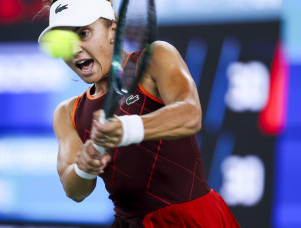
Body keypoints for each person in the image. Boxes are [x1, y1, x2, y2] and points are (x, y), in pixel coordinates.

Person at [38, 0, 240, 227]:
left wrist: (126, 129)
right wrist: (84, 168)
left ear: (112, 29)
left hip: (194, 219)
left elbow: (190, 113)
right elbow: (73, 190)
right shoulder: (67, 113)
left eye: (84, 33)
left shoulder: (155, 58)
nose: (74, 50)